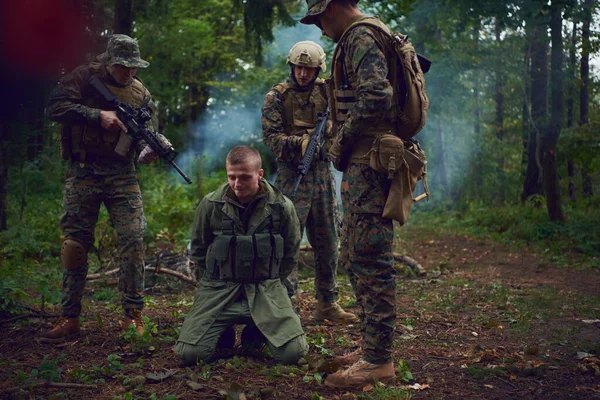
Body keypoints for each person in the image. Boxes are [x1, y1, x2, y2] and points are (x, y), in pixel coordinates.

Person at [301, 0, 402, 389]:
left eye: (319, 19)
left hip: (369, 162)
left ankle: (379, 361)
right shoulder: (366, 35)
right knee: (356, 254)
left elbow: (377, 95)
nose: (320, 29)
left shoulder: (360, 36)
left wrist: (339, 143)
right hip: (366, 162)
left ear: (332, 8)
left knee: (370, 258)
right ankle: (372, 348)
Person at [41, 34, 164, 343]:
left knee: (133, 240)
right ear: (109, 61)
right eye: (123, 66)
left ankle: (132, 317)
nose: (128, 73)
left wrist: (149, 149)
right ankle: (69, 317)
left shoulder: (142, 94)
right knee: (75, 245)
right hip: (83, 171)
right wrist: (97, 116)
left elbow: (148, 133)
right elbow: (54, 107)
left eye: (133, 67)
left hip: (122, 175)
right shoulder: (84, 77)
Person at [175, 146, 308, 366]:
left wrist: (273, 283)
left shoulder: (282, 207)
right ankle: (222, 332)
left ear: (260, 174)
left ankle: (256, 332)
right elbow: (199, 250)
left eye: (245, 177)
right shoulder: (211, 205)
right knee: (189, 354)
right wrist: (210, 286)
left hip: (264, 290)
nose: (237, 184)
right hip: (220, 290)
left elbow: (290, 254)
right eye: (232, 177)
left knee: (293, 353)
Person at [262, 41, 358, 324]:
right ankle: (285, 305)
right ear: (291, 66)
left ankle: (327, 303)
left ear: (318, 69)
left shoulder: (328, 91)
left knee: (329, 240)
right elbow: (270, 138)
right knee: (287, 241)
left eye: (309, 69)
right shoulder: (276, 97)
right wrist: (299, 144)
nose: (303, 74)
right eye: (299, 67)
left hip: (323, 175)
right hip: (292, 175)